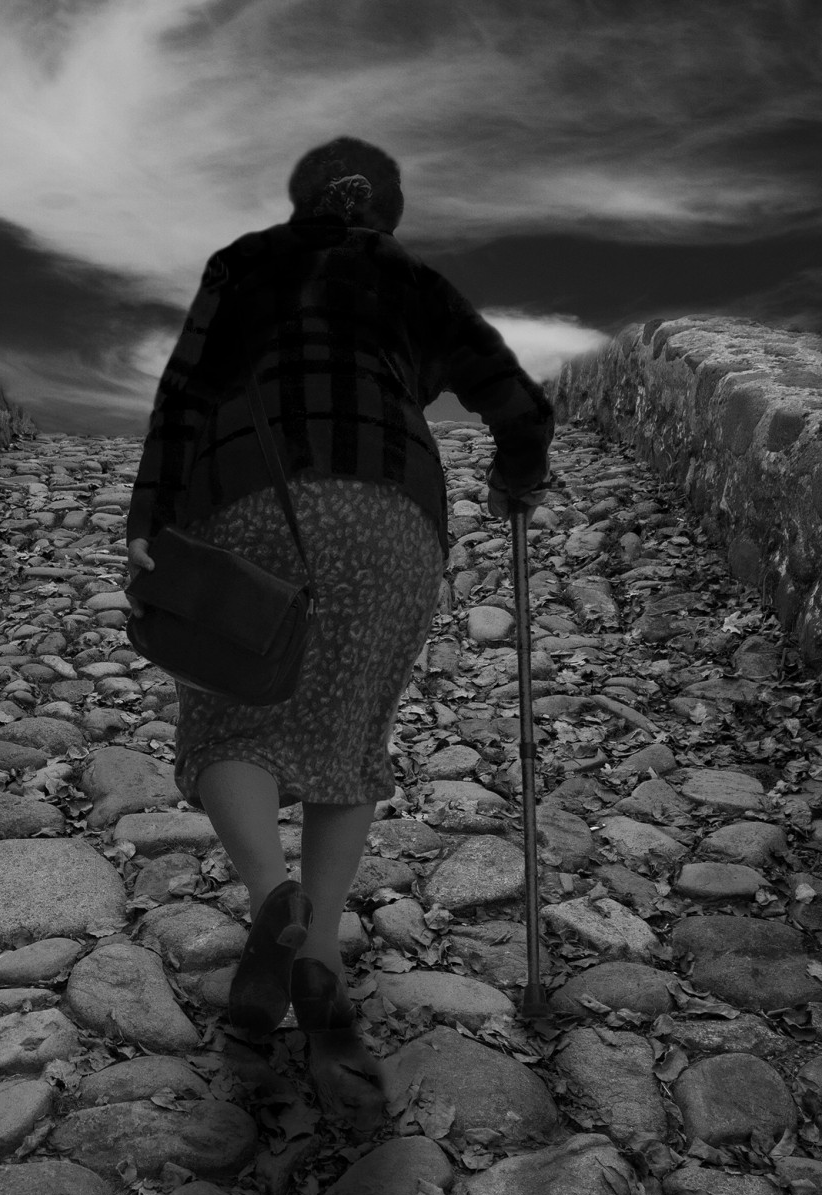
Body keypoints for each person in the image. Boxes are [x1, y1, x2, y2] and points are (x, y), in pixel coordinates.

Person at [123, 135, 554, 1129]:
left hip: (247, 499)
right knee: (349, 731)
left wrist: (147, 518)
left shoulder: (243, 264)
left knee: (229, 713)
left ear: (300, 201)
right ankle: (315, 956)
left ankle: (270, 897)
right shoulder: (413, 280)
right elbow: (518, 403)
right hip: (391, 512)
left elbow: (182, 397)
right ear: (385, 213)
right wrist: (514, 476)